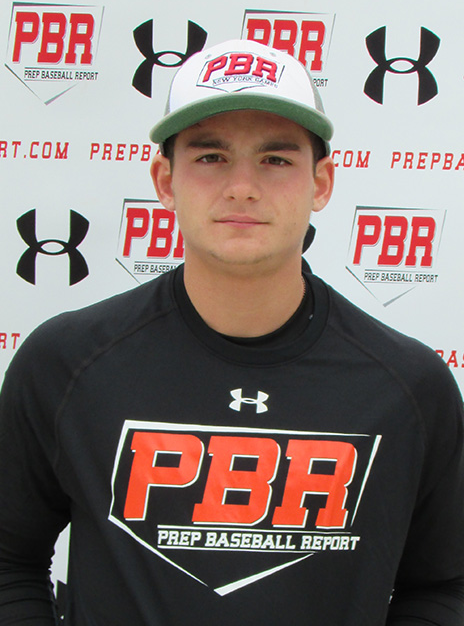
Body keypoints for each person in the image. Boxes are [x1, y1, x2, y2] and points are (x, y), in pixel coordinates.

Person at [0, 39, 463, 626]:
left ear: (322, 182)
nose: (242, 185)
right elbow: (9, 560)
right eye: (211, 156)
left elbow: (444, 585)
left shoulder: (409, 387)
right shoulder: (65, 363)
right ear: (165, 180)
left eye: (276, 159)